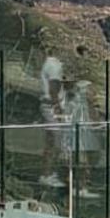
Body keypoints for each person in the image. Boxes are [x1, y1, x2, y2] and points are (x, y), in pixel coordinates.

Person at [38, 55, 67, 188]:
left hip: (49, 106)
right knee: (56, 142)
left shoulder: (51, 63)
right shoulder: (55, 65)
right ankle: (48, 174)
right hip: (52, 107)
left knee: (51, 142)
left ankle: (47, 173)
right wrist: (58, 108)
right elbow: (53, 88)